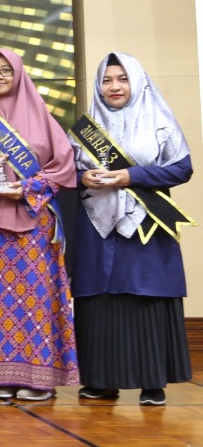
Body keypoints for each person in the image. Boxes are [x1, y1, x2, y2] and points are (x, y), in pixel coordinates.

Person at [69, 53, 194, 406]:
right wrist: (82, 177)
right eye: (107, 80)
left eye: (121, 79)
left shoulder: (159, 122)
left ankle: (151, 382)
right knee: (100, 298)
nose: (114, 87)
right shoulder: (85, 129)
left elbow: (182, 169)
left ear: (136, 81)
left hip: (147, 228)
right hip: (97, 227)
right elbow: (66, 172)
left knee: (146, 295)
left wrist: (131, 176)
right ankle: (101, 380)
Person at [0, 48, 78, 400]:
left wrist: (29, 186)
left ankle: (39, 380)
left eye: (5, 70)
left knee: (35, 297)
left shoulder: (42, 117)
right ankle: (0, 377)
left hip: (35, 221)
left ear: (19, 72)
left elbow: (64, 168)